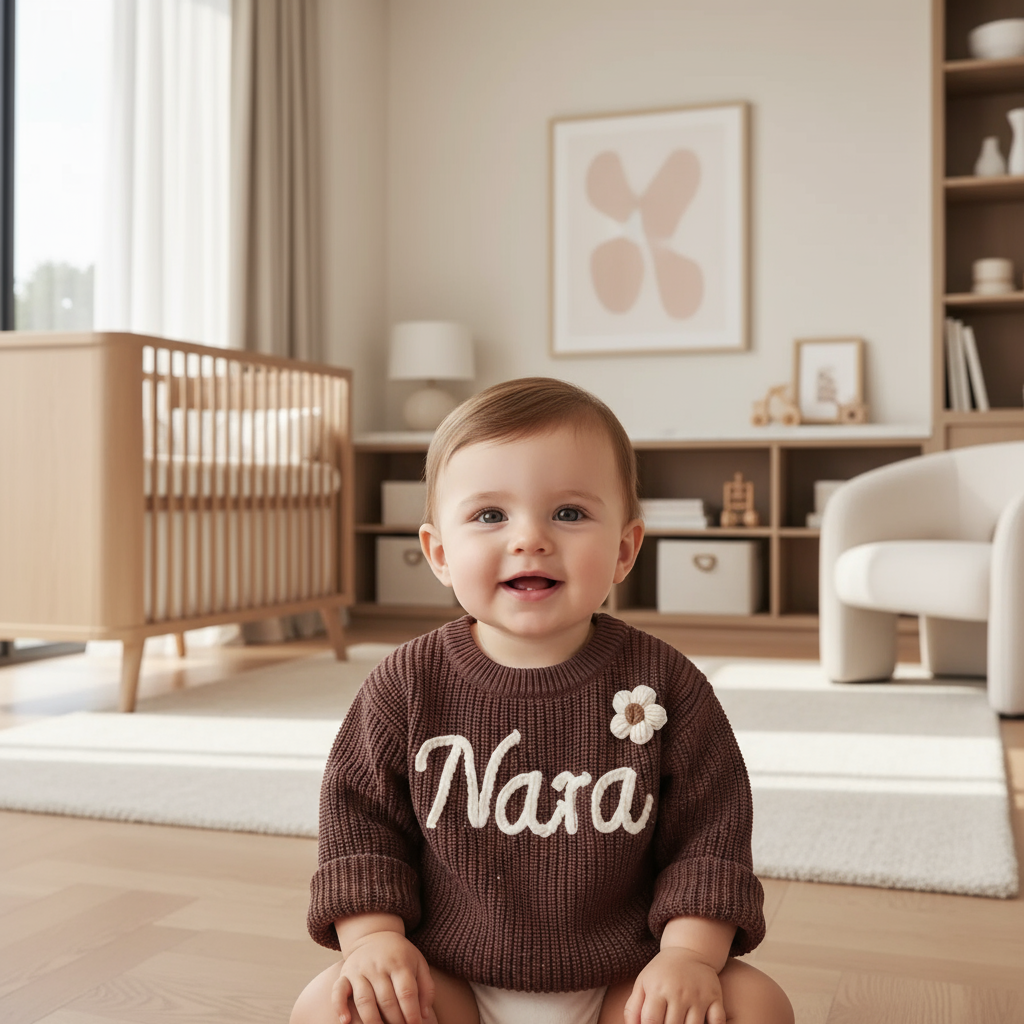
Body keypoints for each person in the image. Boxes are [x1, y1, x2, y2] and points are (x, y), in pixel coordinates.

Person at [291, 378, 793, 1024]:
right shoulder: (405, 686)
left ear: (624, 549)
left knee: (758, 1007)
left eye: (569, 513)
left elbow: (710, 839)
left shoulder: (670, 686)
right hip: (450, 983)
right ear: (440, 553)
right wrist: (374, 941)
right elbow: (361, 827)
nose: (529, 538)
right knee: (327, 1007)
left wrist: (690, 957)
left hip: (628, 983)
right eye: (490, 516)